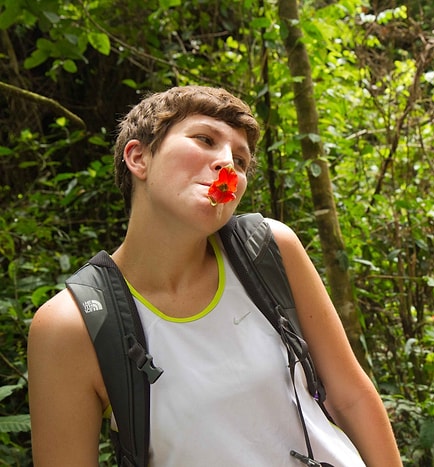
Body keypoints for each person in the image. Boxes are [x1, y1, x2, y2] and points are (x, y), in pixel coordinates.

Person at [28, 85, 402, 467]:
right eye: (204, 139)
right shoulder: (72, 325)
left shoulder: (269, 249)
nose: (228, 165)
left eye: (240, 161)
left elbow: (350, 396)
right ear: (138, 157)